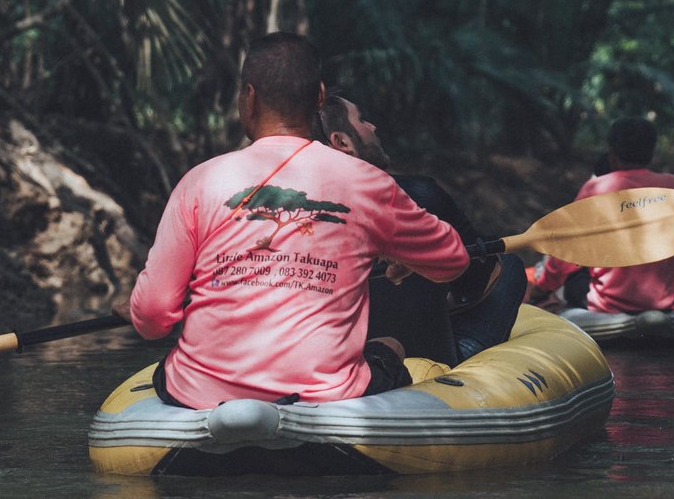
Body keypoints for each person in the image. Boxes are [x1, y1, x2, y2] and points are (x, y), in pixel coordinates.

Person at [126, 35, 472, 408]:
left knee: (171, 364)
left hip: (201, 398)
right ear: (320, 96)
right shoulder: (368, 182)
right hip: (326, 397)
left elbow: (151, 317)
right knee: (390, 346)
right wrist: (407, 259)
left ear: (249, 97)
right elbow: (452, 261)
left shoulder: (200, 181)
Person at [315, 93, 526, 363]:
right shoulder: (417, 195)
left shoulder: (289, 207)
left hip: (331, 354)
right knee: (509, 266)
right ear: (342, 142)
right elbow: (477, 278)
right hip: (428, 358)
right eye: (362, 120)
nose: (372, 127)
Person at [530, 115, 674, 313]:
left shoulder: (595, 189)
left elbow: (567, 251)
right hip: (668, 303)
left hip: (608, 304)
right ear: (651, 154)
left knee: (573, 280)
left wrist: (542, 287)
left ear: (612, 154)